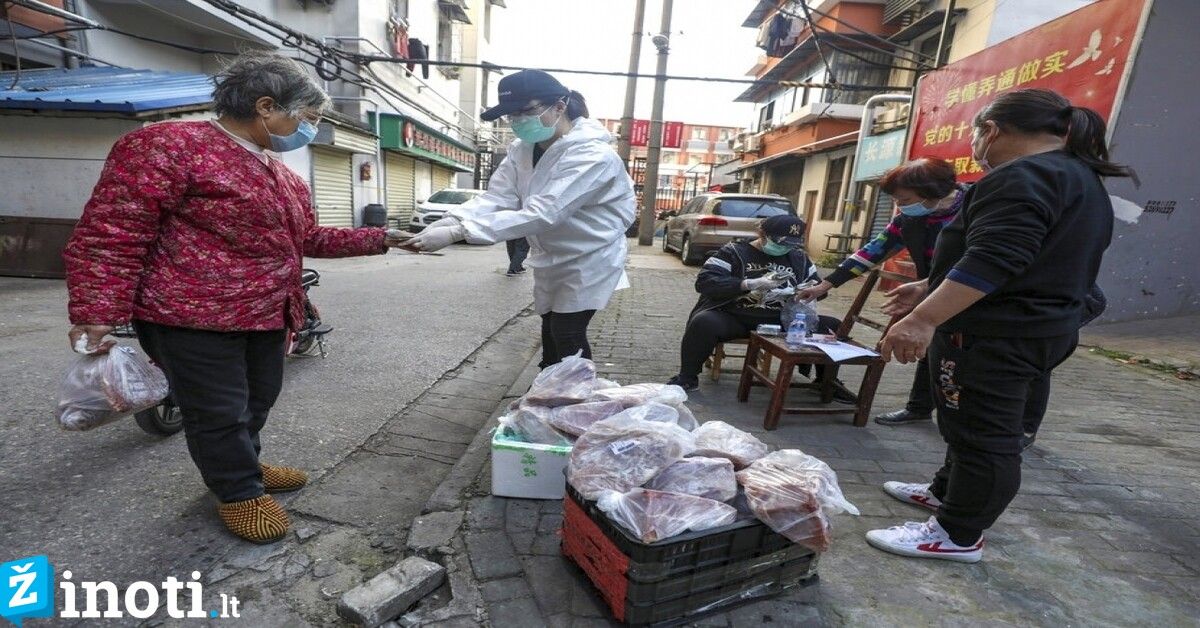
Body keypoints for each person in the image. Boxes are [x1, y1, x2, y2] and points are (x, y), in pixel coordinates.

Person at [63, 53, 408, 544]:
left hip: (268, 312)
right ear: (266, 106)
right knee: (218, 411)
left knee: (257, 399)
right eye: (306, 118)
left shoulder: (282, 174)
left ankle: (243, 463)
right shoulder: (165, 146)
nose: (308, 129)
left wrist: (384, 238)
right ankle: (237, 490)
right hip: (191, 316)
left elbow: (306, 238)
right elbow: (112, 232)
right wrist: (97, 311)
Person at [864, 88, 1135, 563]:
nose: (974, 142)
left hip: (996, 336)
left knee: (984, 436)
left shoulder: (1021, 177)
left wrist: (923, 319)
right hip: (1037, 327)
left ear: (990, 129)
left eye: (975, 132)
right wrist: (928, 285)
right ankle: (946, 493)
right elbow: (1024, 254)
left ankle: (956, 534)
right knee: (966, 424)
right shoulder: (1075, 175)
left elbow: (996, 258)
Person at [401, 70, 635, 367]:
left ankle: (576, 399)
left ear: (560, 106)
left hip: (589, 258)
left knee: (568, 333)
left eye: (526, 111)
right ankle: (547, 392)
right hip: (550, 257)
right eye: (512, 115)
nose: (518, 121)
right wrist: (450, 220)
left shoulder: (593, 156)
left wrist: (459, 232)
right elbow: (498, 198)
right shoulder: (522, 150)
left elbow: (545, 212)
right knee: (550, 329)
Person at [797, 158, 966, 426]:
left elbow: (982, 260)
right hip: (930, 288)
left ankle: (1003, 423)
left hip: (971, 290)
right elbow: (873, 251)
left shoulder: (976, 208)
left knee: (963, 355)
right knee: (931, 346)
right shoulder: (910, 218)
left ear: (932, 191)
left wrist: (927, 286)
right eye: (896, 200)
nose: (899, 206)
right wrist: (826, 284)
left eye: (904, 199)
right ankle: (920, 407)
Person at [666, 215, 849, 398]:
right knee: (703, 322)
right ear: (762, 234)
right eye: (780, 242)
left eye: (790, 244)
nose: (784, 248)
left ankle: (827, 381)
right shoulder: (732, 252)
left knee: (832, 325)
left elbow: (819, 290)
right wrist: (748, 285)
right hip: (736, 317)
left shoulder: (798, 258)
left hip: (783, 320)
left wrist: (804, 290)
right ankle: (687, 377)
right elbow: (705, 283)